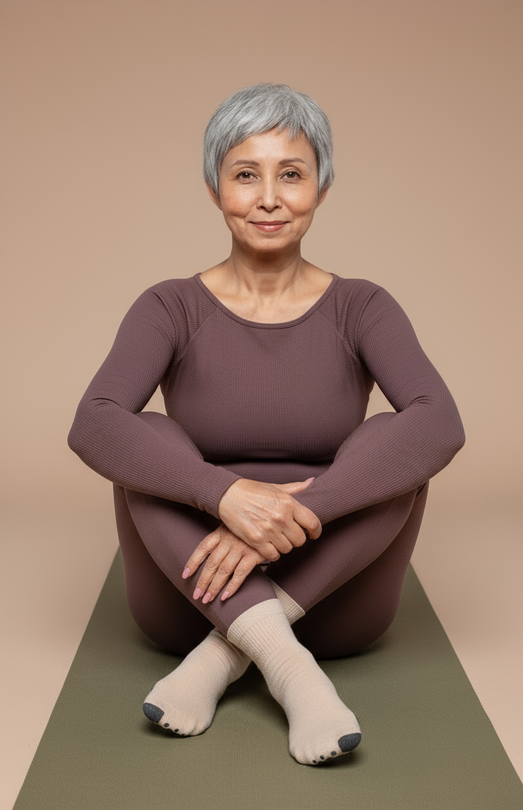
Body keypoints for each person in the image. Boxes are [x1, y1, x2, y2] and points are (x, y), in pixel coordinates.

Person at [68, 83, 465, 766]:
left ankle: (226, 659)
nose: (269, 197)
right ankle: (290, 669)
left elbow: (442, 426)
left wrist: (283, 517)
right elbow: (93, 425)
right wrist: (222, 497)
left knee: (393, 445)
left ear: (323, 187)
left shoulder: (363, 305)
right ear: (213, 186)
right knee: (149, 438)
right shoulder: (169, 305)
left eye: (292, 174)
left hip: (337, 597)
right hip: (189, 592)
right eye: (245, 174)